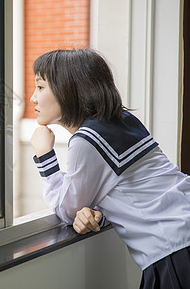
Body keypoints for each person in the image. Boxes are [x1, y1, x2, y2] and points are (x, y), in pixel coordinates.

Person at [29, 49, 190, 289]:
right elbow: (130, 188)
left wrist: (45, 156)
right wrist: (99, 212)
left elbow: (67, 208)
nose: (33, 98)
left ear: (68, 89)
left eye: (40, 87)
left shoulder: (87, 140)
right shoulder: (123, 119)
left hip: (175, 249)